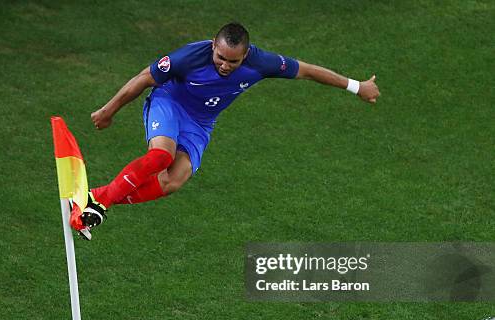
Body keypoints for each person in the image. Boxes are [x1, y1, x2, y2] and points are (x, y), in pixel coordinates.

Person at [76, 22, 380, 240]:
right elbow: (144, 78)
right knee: (160, 157)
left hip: (200, 122)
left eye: (232, 61)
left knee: (174, 180)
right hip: (170, 102)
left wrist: (356, 86)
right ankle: (100, 203)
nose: (224, 65)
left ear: (245, 56)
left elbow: (308, 71)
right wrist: (108, 111)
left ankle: (98, 199)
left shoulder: (263, 63)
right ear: (213, 46)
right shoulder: (187, 57)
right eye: (220, 57)